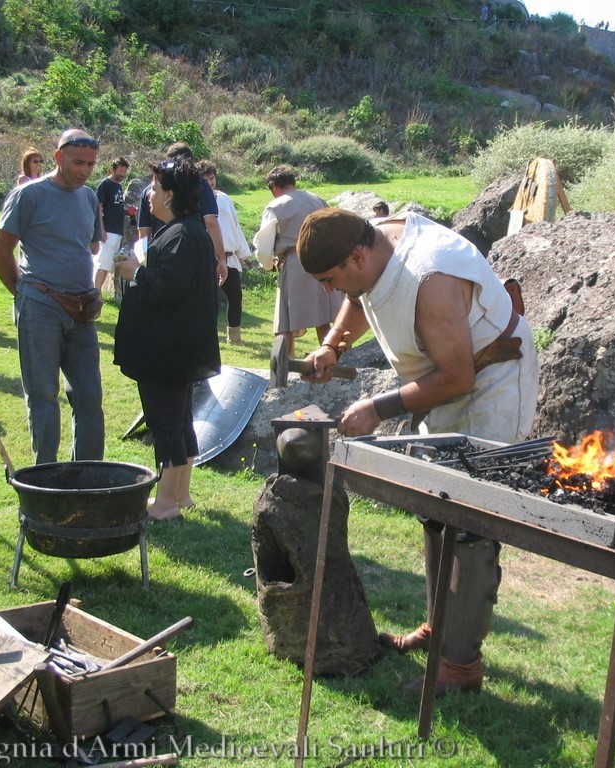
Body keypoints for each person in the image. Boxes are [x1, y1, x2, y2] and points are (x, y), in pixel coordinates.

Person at [296, 207, 540, 695]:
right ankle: (441, 629)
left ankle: (461, 666)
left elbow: (458, 376)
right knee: (437, 506)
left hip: (490, 382)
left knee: (471, 521)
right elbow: (359, 294)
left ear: (356, 256)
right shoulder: (372, 246)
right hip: (447, 375)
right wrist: (333, 345)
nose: (328, 291)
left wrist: (378, 408)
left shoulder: (431, 278)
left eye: (329, 280)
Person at [0, 129, 105, 465]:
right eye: (78, 162)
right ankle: (46, 474)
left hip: (82, 310)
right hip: (40, 306)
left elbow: (90, 247)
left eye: (91, 164)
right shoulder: (29, 195)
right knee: (43, 396)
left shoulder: (88, 197)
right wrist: (26, 295)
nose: (85, 170)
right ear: (58, 157)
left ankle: (89, 475)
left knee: (89, 397)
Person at [113, 160, 220, 521]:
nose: (150, 194)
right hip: (180, 348)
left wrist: (135, 272)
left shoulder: (180, 235)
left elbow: (167, 289)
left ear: (170, 195)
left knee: (166, 423)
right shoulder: (188, 232)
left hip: (167, 349)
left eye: (156, 188)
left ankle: (165, 503)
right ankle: (180, 494)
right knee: (179, 419)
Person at [253, 165, 342, 354]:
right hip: (324, 263)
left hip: (295, 263)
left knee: (285, 323)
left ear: (275, 186)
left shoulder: (276, 207)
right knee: (323, 318)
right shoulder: (317, 200)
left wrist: (268, 265)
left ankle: (285, 366)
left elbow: (264, 248)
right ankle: (334, 359)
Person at [137, 142, 227, 284]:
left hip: (160, 256)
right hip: (193, 253)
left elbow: (143, 236)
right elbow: (211, 223)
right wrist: (221, 259)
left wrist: (141, 271)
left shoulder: (149, 190)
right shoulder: (199, 184)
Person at [196, 159, 249, 343]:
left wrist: (241, 253)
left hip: (228, 256)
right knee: (207, 299)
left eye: (212, 178)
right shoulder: (196, 201)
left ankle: (234, 337)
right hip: (206, 257)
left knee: (235, 296)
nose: (210, 182)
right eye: (205, 179)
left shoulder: (224, 198)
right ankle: (206, 336)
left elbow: (235, 225)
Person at [93, 156, 130, 292]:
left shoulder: (118, 187)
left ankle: (97, 291)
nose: (122, 174)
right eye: (120, 171)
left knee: (109, 264)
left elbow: (115, 206)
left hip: (117, 230)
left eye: (124, 171)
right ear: (113, 169)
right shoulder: (105, 184)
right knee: (103, 263)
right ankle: (95, 292)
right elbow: (98, 207)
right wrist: (101, 229)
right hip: (108, 230)